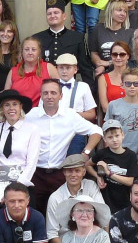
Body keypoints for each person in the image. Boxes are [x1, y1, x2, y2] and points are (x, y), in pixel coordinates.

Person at [26, 78, 102, 209]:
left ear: (61, 96)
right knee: (34, 212)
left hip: (59, 174)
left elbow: (97, 131)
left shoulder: (70, 116)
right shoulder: (30, 115)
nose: (49, 96)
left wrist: (86, 152)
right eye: (45, 93)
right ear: (41, 95)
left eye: (53, 93)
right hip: (35, 174)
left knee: (61, 213)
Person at [0, 89, 39, 214]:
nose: (11, 108)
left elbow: (32, 162)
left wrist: (18, 185)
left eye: (15, 104)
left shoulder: (32, 129)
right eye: (7, 105)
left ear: (21, 107)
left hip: (21, 179)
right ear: (2, 109)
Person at [45, 153, 106, 243]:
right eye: (69, 171)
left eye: (77, 171)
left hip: (92, 241)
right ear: (64, 172)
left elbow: (103, 215)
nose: (73, 175)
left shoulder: (91, 186)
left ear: (84, 172)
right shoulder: (56, 198)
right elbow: (52, 234)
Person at [34, 0, 93, 80]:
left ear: (64, 16)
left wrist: (89, 91)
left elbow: (86, 69)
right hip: (43, 87)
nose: (52, 16)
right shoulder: (37, 38)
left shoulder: (77, 38)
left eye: (56, 13)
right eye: (49, 13)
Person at [89, 119, 138, 215]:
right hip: (106, 199)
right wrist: (98, 176)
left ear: (122, 135)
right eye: (110, 137)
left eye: (117, 136)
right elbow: (88, 165)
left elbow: (130, 181)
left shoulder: (131, 155)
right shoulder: (102, 153)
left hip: (124, 200)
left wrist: (109, 173)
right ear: (105, 139)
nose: (114, 140)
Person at [105, 67, 138, 159]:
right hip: (119, 155)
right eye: (128, 83)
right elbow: (108, 132)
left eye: (135, 83)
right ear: (122, 85)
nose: (132, 86)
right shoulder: (113, 105)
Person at [4, 36, 55, 107]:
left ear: (39, 52)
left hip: (42, 113)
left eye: (33, 50)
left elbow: (59, 92)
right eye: (26, 49)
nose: (30, 52)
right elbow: (6, 97)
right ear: (22, 52)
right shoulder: (13, 71)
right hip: (19, 114)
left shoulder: (49, 68)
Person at [89, 0, 134, 77]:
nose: (122, 14)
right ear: (110, 11)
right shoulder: (98, 29)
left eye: (125, 11)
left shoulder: (130, 32)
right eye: (119, 10)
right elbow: (93, 53)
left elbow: (130, 58)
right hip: (102, 75)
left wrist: (107, 63)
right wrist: (100, 65)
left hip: (123, 75)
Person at [55, 53, 98, 123]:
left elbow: (92, 114)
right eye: (61, 67)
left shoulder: (83, 87)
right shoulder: (50, 87)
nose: (64, 71)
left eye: (68, 68)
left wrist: (74, 115)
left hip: (77, 128)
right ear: (56, 69)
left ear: (75, 69)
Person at [97, 42, 130, 115]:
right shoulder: (103, 79)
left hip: (132, 120)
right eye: (115, 54)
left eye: (122, 54)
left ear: (128, 56)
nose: (118, 58)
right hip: (112, 120)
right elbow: (105, 108)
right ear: (111, 56)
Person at [0, 20, 19, 92]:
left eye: (9, 31)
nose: (5, 34)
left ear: (14, 34)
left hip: (12, 94)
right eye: (2, 31)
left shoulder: (18, 54)